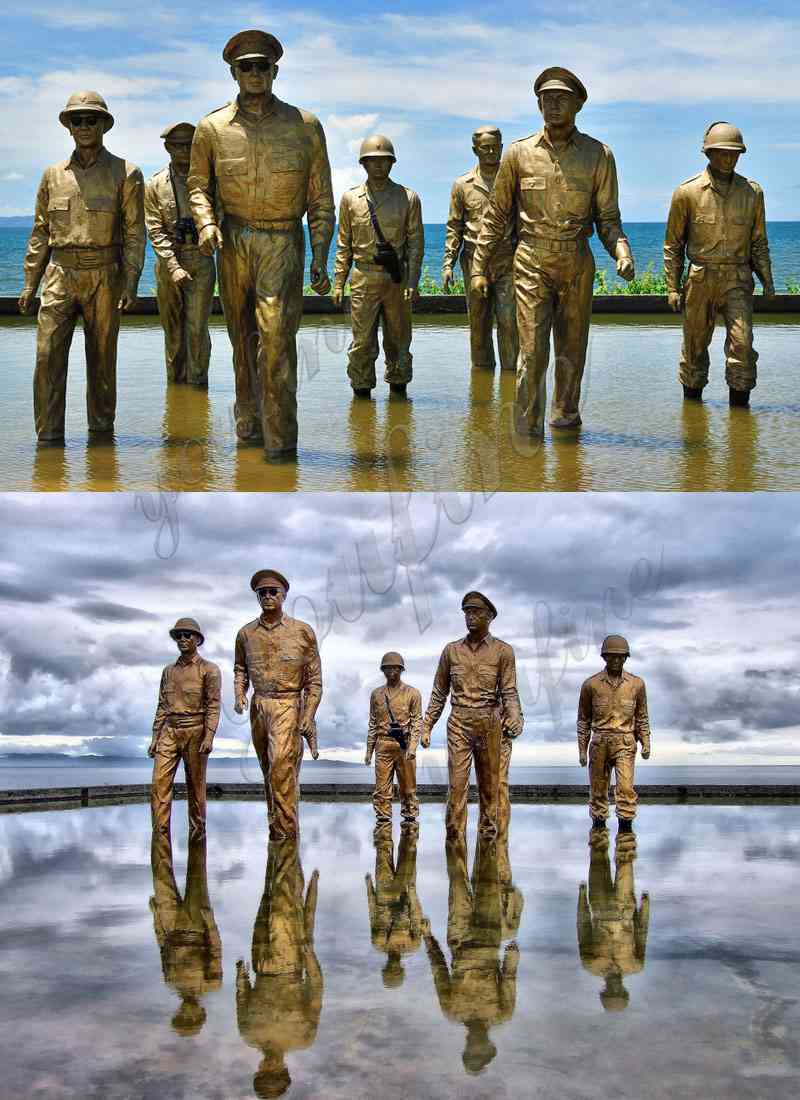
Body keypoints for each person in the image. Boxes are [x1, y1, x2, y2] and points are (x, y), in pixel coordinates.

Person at [188, 29, 335, 458]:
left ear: (275, 71)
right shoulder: (211, 128)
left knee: (275, 344)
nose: (255, 73)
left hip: (282, 242)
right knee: (242, 342)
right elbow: (198, 186)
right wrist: (206, 224)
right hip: (233, 241)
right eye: (246, 67)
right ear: (234, 73)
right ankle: (248, 428)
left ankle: (281, 447)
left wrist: (321, 254)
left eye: (262, 66)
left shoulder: (305, 126)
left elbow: (321, 198)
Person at [471, 67, 634, 435]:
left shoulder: (598, 155)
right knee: (531, 352)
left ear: (578, 104)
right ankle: (526, 431)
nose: (553, 105)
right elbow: (496, 217)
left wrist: (621, 252)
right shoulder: (518, 154)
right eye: (546, 99)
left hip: (576, 260)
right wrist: (479, 266)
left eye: (561, 98)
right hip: (530, 260)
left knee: (572, 351)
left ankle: (565, 422)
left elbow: (608, 218)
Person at [19, 90, 144, 442]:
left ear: (104, 124)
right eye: (78, 120)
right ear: (68, 127)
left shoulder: (127, 173)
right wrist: (30, 284)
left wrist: (131, 282)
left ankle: (102, 441)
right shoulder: (51, 176)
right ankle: (48, 441)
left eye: (92, 119)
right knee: (46, 357)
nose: (85, 126)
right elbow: (40, 232)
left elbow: (135, 234)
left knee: (102, 362)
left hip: (105, 275)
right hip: (59, 274)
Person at [664, 122, 775, 407]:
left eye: (734, 153)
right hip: (701, 278)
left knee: (742, 345)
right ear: (709, 153)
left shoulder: (752, 193)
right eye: (723, 153)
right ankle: (692, 418)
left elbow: (759, 241)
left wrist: (768, 281)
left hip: (738, 278)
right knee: (694, 348)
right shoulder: (686, 193)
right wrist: (672, 288)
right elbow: (673, 245)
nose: (729, 159)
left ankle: (740, 418)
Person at [420, 591, 523, 839]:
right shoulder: (451, 651)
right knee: (456, 786)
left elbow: (509, 692)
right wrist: (426, 726)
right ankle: (454, 843)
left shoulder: (503, 652)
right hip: (459, 723)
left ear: (489, 617)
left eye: (476, 612)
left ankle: (487, 845)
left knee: (490, 789)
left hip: (490, 723)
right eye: (467, 612)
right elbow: (439, 692)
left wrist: (515, 717)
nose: (470, 617)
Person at [333, 135, 424, 398]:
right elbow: (344, 244)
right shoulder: (351, 199)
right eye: (372, 161)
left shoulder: (407, 198)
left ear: (392, 164)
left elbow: (416, 244)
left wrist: (412, 282)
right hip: (363, 277)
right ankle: (361, 395)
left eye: (384, 161)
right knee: (362, 342)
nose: (378, 167)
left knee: (398, 340)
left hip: (396, 279)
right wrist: (339, 281)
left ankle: (399, 391)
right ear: (363, 164)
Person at [234, 570, 322, 840]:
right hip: (259, 706)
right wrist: (239, 692)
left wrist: (308, 714)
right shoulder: (245, 634)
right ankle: (278, 828)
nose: (268, 596)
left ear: (284, 595)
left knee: (280, 766)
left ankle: (285, 837)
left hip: (288, 704)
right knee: (269, 771)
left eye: (273, 592)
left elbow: (314, 681)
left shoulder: (302, 632)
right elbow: (240, 668)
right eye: (263, 593)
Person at [423, 836, 519, 1074]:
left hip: (460, 938)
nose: (476, 1046)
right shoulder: (502, 1014)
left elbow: (439, 970)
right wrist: (512, 959)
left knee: (457, 877)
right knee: (489, 878)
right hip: (489, 940)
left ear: (466, 1047)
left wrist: (428, 938)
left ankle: (463, 835)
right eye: (480, 1051)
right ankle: (488, 834)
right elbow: (509, 979)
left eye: (472, 1051)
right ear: (488, 1047)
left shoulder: (452, 1011)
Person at [237, 840, 322, 1098]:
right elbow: (316, 990)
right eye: (274, 1073)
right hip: (289, 962)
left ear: (258, 1070)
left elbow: (242, 998)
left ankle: (280, 845)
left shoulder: (249, 1035)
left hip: (262, 962)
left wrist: (241, 976)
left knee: (269, 895)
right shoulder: (303, 1037)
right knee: (283, 903)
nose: (269, 1067)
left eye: (264, 1072)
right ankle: (287, 842)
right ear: (284, 1070)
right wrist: (309, 956)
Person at [145, 122, 216, 385]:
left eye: (190, 144)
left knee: (197, 328)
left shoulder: (211, 181)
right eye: (178, 145)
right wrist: (173, 266)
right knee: (173, 332)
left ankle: (198, 386)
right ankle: (176, 388)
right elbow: (154, 230)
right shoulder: (154, 185)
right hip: (168, 262)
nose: (184, 150)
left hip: (201, 258)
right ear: (167, 147)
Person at [443, 126, 518, 371]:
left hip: (508, 260)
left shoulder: (513, 181)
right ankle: (482, 383)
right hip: (474, 261)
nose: (491, 152)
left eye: (496, 147)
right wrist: (448, 264)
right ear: (475, 150)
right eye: (485, 147)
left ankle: (511, 378)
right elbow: (454, 227)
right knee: (479, 323)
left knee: (509, 321)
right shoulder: (461, 185)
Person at [149, 617, 221, 836]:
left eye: (187, 635)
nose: (182, 639)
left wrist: (209, 736)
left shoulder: (210, 670)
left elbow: (213, 705)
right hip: (169, 731)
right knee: (159, 784)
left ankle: (197, 837)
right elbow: (162, 705)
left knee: (196, 788)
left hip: (195, 731)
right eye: (178, 636)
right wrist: (155, 737)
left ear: (197, 640)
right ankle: (160, 836)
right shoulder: (168, 671)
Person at [149, 831, 222, 1036]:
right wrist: (210, 923)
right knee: (197, 869)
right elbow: (216, 951)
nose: (185, 1013)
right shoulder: (211, 984)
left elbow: (162, 945)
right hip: (196, 927)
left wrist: (156, 916)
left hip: (170, 926)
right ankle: (196, 835)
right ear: (200, 1012)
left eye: (181, 1017)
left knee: (159, 872)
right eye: (190, 1018)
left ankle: (161, 836)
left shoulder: (170, 981)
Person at [576, 635, 650, 834]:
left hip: (625, 742)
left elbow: (642, 716)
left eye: (620, 657)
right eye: (611, 657)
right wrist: (582, 750)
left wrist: (646, 742)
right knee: (598, 792)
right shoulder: (590, 685)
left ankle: (626, 834)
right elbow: (583, 721)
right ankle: (598, 834)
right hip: (599, 742)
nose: (616, 661)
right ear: (604, 658)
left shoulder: (636, 684)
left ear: (626, 658)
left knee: (625, 789)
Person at [577, 832, 650, 1012]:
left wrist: (581, 899)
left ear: (604, 992)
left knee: (598, 855)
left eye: (611, 992)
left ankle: (599, 819)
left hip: (600, 908)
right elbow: (641, 933)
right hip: (625, 909)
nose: (614, 988)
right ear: (624, 991)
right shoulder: (635, 965)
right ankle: (625, 822)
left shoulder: (591, 964)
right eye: (617, 992)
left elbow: (583, 929)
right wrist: (645, 907)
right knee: (626, 861)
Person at [364, 651, 422, 829]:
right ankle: (382, 818)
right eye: (387, 668)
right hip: (383, 744)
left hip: (404, 746)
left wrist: (412, 747)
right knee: (381, 788)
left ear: (401, 669)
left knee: (408, 786)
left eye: (394, 668)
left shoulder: (413, 693)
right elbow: (373, 724)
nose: (391, 671)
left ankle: (410, 816)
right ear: (382, 670)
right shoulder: (376, 694)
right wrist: (368, 751)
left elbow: (417, 722)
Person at [365, 827, 425, 989]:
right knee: (409, 849)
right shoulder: (413, 945)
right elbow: (416, 915)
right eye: (396, 971)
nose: (394, 967)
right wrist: (412, 893)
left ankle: (384, 820)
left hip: (384, 895)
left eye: (390, 970)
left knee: (383, 851)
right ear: (401, 970)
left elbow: (372, 915)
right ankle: (409, 823)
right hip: (405, 893)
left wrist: (369, 888)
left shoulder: (379, 944)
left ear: (385, 969)